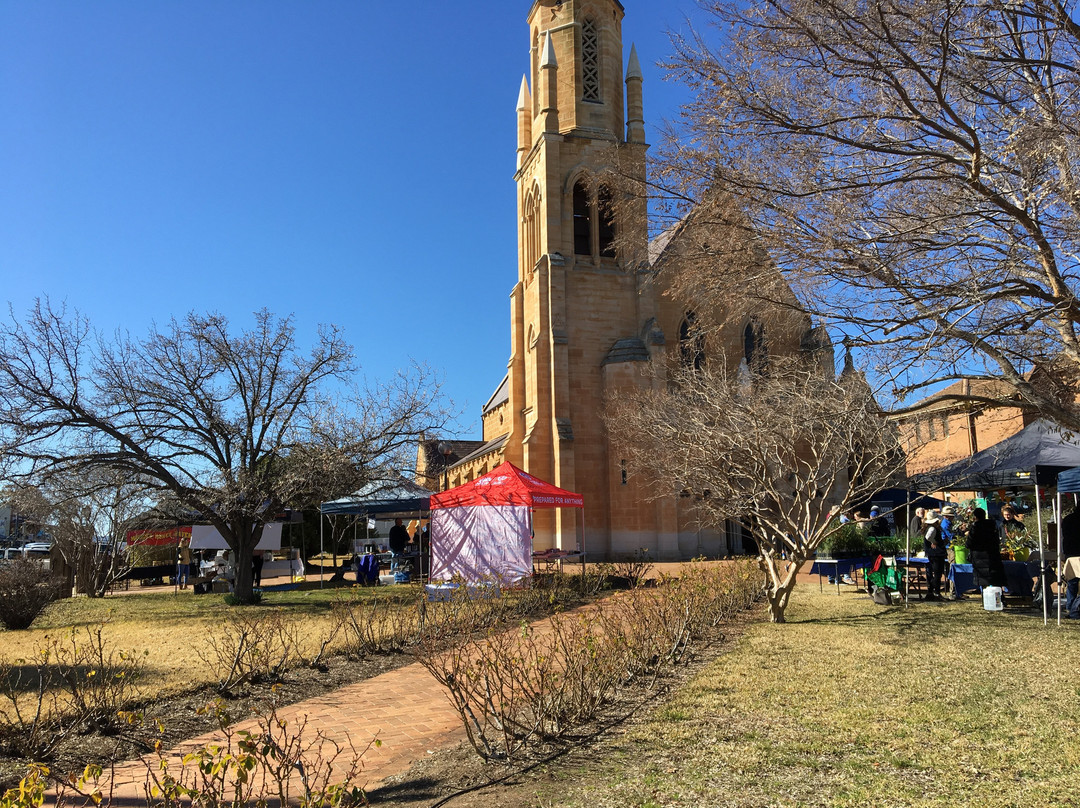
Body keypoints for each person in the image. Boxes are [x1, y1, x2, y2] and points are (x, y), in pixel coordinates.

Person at [966, 507, 1006, 595]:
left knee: (984, 581)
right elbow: (997, 541)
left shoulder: (975, 528)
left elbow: (968, 544)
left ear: (975, 517)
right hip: (993, 556)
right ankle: (999, 599)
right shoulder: (993, 526)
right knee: (995, 579)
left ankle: (986, 600)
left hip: (979, 557)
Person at [1059, 505, 1080, 618]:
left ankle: (1070, 607)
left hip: (1071, 553)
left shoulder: (1068, 519)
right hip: (1074, 551)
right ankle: (1074, 608)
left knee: (1072, 581)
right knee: (1072, 582)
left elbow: (1064, 536)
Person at [923, 511, 948, 601]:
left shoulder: (929, 527)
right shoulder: (932, 528)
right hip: (936, 554)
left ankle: (932, 592)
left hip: (933, 554)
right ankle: (935, 592)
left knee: (936, 573)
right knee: (937, 574)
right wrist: (934, 542)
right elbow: (928, 537)